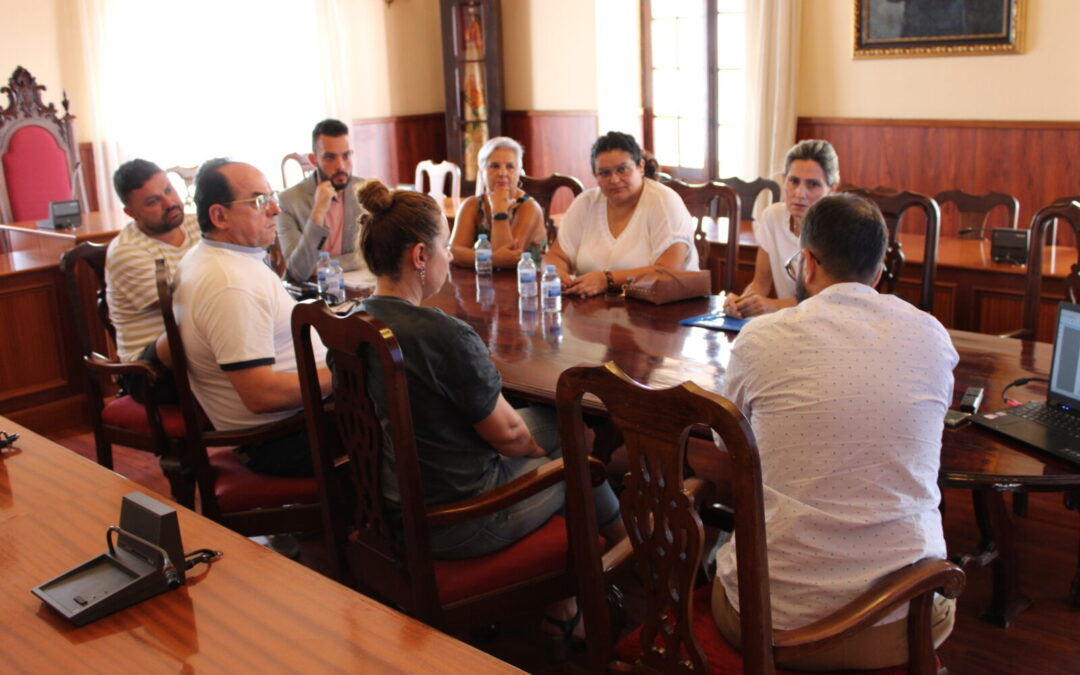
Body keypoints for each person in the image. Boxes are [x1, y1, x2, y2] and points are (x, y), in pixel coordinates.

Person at [712, 193, 958, 670]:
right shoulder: (931, 335)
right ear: (880, 270)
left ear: (806, 263)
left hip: (769, 621)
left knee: (724, 547)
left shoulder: (760, 338)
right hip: (905, 617)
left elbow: (728, 442)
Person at [174, 158, 331, 476]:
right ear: (220, 216)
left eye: (272, 196)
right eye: (260, 201)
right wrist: (352, 373)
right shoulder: (229, 284)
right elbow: (262, 394)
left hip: (303, 417)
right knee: (419, 415)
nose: (275, 209)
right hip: (285, 437)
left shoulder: (214, 257)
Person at [544, 131, 698, 297]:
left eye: (622, 170)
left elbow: (669, 271)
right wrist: (557, 274)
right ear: (595, 175)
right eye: (604, 173)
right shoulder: (586, 203)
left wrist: (607, 280)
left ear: (641, 167)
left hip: (664, 312)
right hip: (595, 311)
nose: (614, 180)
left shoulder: (664, 202)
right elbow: (557, 255)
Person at [105, 159, 200, 403]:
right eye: (152, 201)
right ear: (131, 213)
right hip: (149, 371)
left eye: (168, 190)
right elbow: (186, 307)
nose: (169, 203)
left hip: (198, 351)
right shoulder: (126, 251)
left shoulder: (198, 225)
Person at [723, 139, 839, 318]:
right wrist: (741, 303)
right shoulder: (772, 217)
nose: (800, 193)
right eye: (794, 181)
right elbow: (760, 284)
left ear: (832, 189)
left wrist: (775, 306)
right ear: (784, 180)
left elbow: (828, 300)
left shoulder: (840, 229)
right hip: (787, 324)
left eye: (813, 184)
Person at [277, 118, 367, 282]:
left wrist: (323, 265)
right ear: (313, 160)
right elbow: (298, 271)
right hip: (308, 296)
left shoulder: (364, 191)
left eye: (346, 156)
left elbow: (377, 253)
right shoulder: (288, 201)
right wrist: (318, 212)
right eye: (330, 158)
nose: (341, 166)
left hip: (357, 289)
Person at [449, 136, 546, 269]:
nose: (502, 173)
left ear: (519, 172)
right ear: (482, 171)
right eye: (494, 166)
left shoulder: (529, 207)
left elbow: (508, 260)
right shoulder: (472, 204)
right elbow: (453, 252)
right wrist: (492, 259)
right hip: (480, 283)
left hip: (526, 285)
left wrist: (499, 211)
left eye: (510, 167)